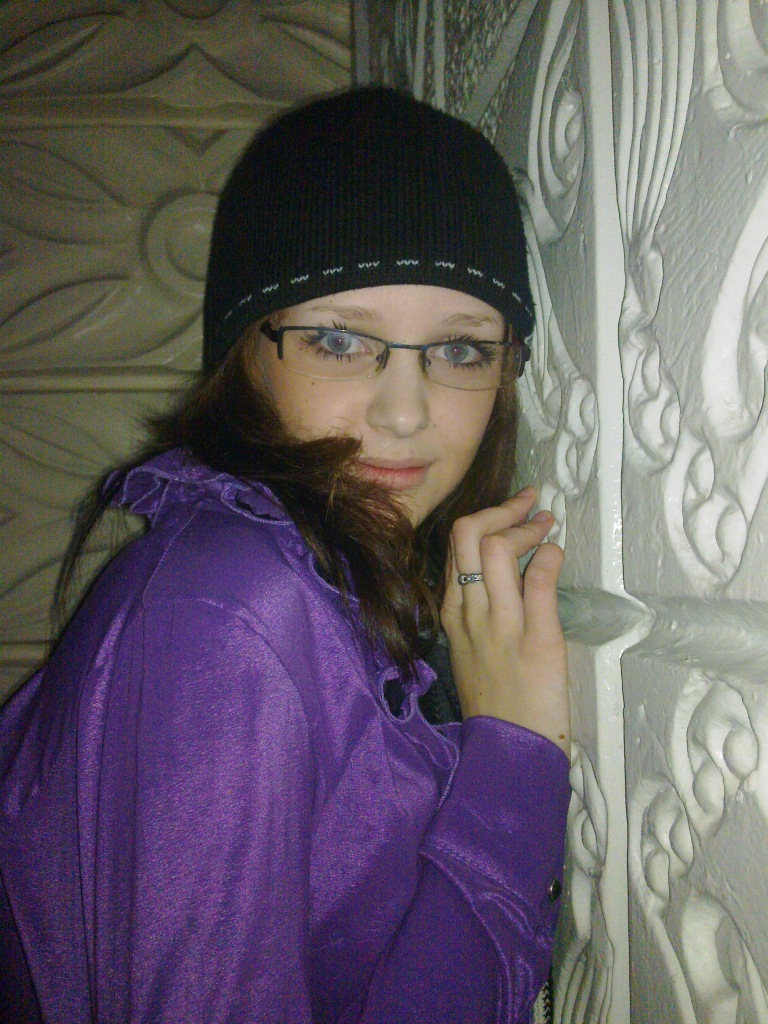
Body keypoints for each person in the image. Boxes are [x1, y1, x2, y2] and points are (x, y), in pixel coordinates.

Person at [0, 87, 570, 1024]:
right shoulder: (230, 609)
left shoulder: (335, 585)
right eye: (340, 341)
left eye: (462, 351)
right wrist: (514, 752)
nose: (405, 412)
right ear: (246, 351)